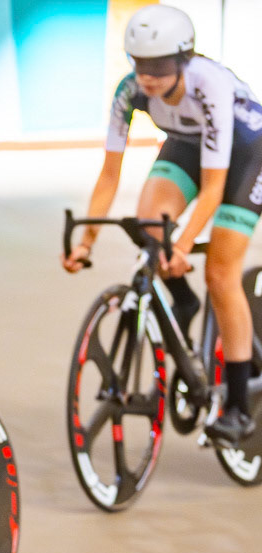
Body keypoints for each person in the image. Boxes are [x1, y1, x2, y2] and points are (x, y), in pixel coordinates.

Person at [63, 4, 262, 445]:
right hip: (187, 144)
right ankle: (183, 302)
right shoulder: (129, 91)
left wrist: (185, 244)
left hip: (249, 153)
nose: (148, 76)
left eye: (159, 66)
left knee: (220, 273)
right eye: (139, 64)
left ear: (183, 59)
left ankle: (237, 408)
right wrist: (87, 242)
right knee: (150, 226)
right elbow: (109, 176)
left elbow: (213, 189)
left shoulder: (208, 85)